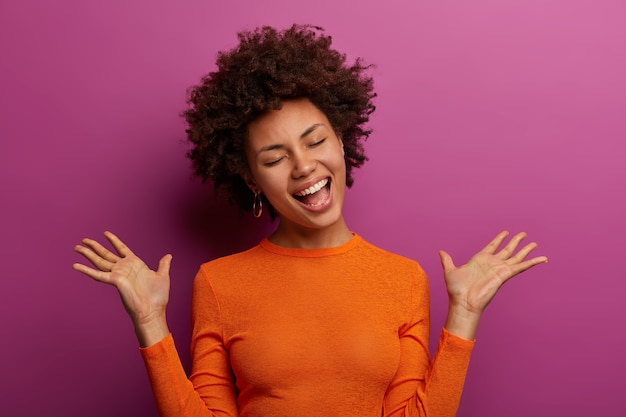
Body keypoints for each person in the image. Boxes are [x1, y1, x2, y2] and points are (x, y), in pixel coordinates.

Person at [72, 25, 547, 417]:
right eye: (275, 157)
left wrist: (464, 315)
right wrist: (151, 323)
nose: (303, 166)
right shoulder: (219, 283)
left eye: (315, 141)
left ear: (342, 141)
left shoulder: (403, 279)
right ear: (251, 178)